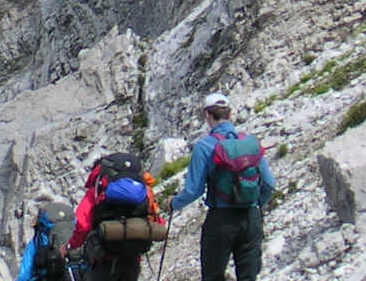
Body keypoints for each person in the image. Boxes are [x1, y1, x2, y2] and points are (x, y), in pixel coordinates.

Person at [167, 92, 276, 281]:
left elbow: (194, 190)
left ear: (207, 115)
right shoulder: (249, 142)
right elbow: (269, 182)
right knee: (249, 276)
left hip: (221, 219)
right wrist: (257, 205)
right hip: (251, 217)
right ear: (230, 114)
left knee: (213, 276)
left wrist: (173, 204)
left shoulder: (204, 146)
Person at [59, 153, 163, 281]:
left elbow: (82, 225)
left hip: (104, 260)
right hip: (133, 258)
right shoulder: (144, 190)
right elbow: (158, 221)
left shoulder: (98, 190)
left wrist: (70, 247)